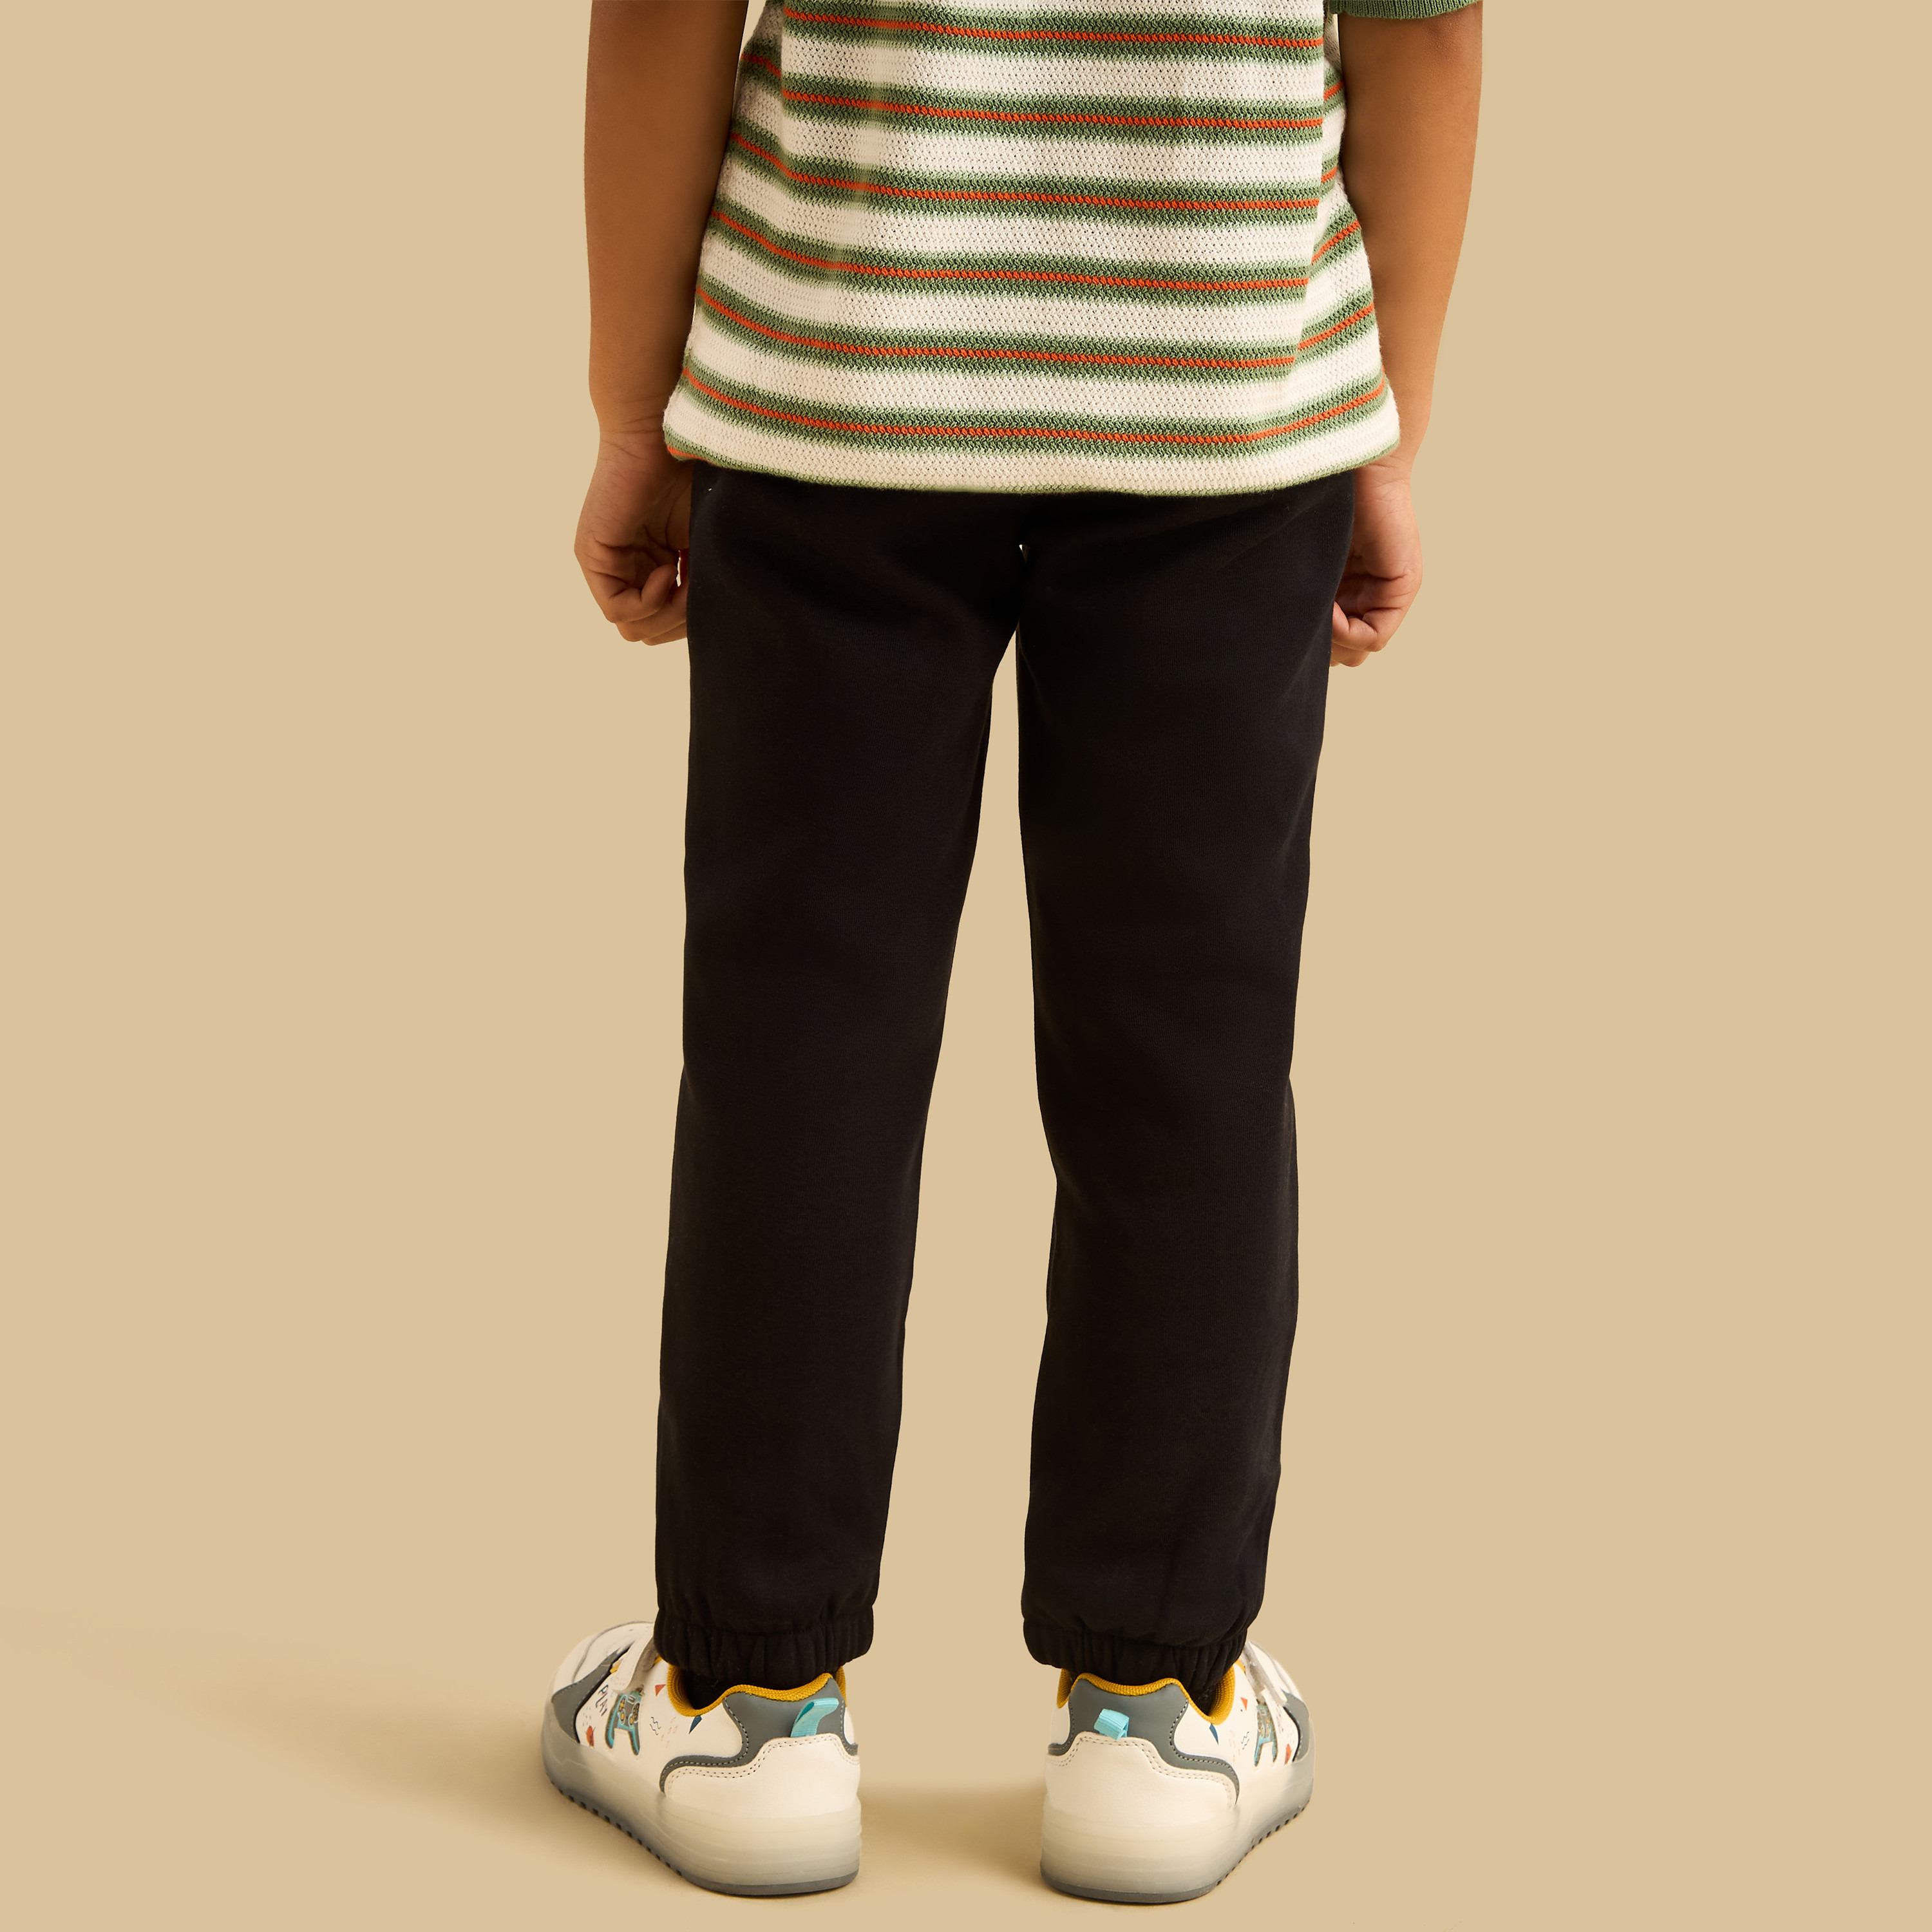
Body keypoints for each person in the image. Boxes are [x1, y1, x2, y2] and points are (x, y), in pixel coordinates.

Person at [540, 0, 1481, 1902]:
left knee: (800, 1051)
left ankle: (749, 1703)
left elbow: (661, 12)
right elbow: (1430, 31)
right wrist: (1391, 420)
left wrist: (638, 416)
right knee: (1189, 1068)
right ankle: (1158, 1706)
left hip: (839, 374)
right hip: (1227, 404)